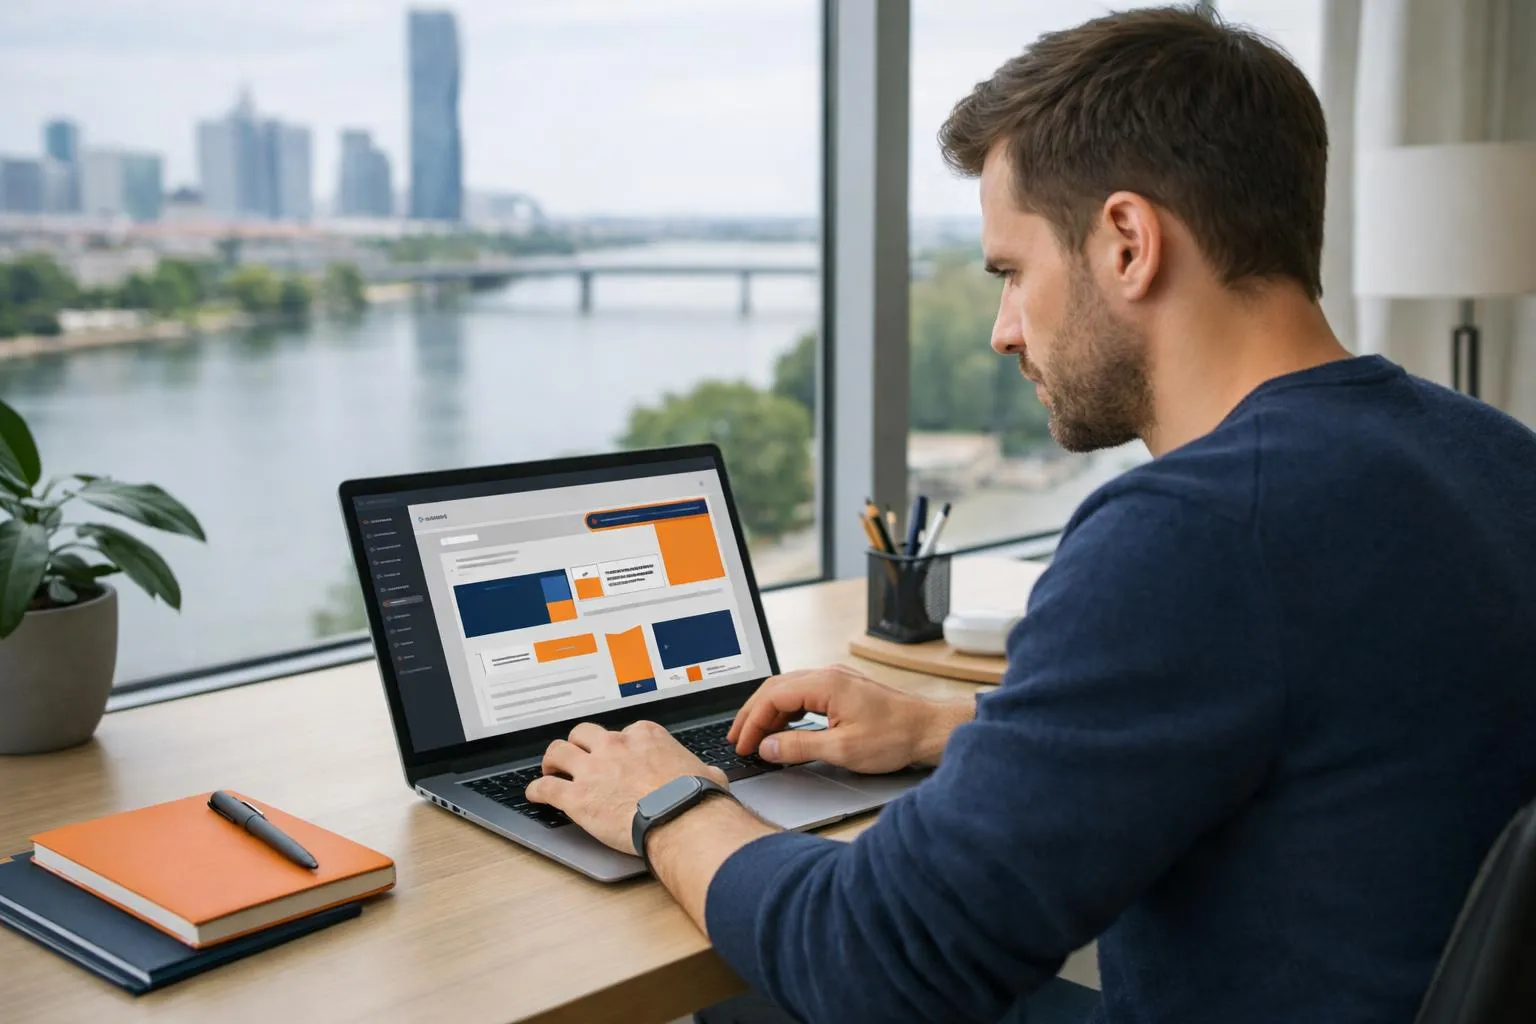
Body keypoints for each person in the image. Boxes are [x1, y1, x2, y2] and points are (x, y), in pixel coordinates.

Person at [526, 7, 1536, 1023]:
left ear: (1128, 243)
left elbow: (874, 961)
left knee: (757, 1004)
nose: (1005, 332)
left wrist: (663, 800)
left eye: (1012, 272)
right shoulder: (1493, 453)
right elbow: (1319, 722)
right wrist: (947, 727)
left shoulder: (1196, 530)